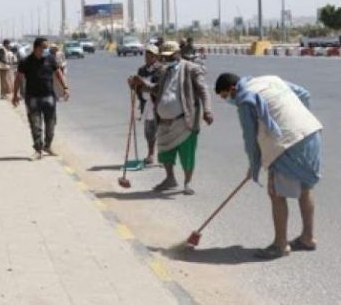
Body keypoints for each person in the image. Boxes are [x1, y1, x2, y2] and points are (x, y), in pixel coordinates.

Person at [215, 73, 323, 259]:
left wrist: (254, 165)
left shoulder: (244, 99)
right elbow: (304, 94)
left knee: (276, 193)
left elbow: (250, 138)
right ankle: (308, 237)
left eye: (226, 96)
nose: (228, 100)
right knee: (305, 188)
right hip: (311, 132)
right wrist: (297, 120)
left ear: (232, 89)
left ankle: (280, 245)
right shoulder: (271, 80)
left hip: (287, 143)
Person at [133, 40, 213, 195]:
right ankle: (170, 179)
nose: (167, 59)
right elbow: (156, 90)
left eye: (170, 56)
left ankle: (187, 183)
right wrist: (141, 83)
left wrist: (207, 110)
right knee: (164, 152)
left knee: (187, 154)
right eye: (164, 56)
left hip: (184, 121)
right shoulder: (164, 71)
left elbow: (203, 90)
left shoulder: (191, 69)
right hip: (164, 122)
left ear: (178, 54)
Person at [12, 38, 70, 159]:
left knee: (51, 124)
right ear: (36, 47)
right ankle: (38, 150)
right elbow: (18, 78)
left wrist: (65, 87)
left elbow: (58, 73)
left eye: (47, 47)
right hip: (32, 97)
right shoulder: (26, 61)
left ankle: (47, 146)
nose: (46, 50)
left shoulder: (50, 59)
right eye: (44, 47)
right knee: (35, 125)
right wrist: (15, 94)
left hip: (49, 96)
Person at [129, 44, 160, 165]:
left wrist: (142, 82)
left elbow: (158, 88)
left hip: (158, 104)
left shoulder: (161, 70)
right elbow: (137, 87)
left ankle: (164, 156)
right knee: (149, 131)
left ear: (156, 57)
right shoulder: (142, 70)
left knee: (161, 131)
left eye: (151, 56)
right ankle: (150, 154)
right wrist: (132, 84)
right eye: (146, 55)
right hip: (146, 104)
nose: (148, 58)